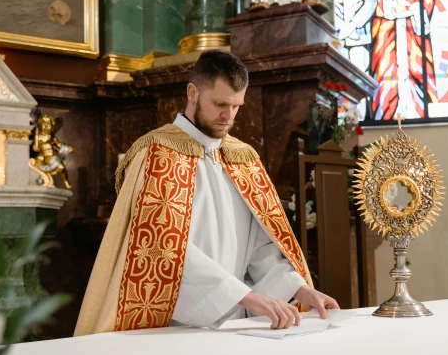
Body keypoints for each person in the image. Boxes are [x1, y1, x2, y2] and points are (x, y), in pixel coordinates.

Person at [75, 50, 339, 336]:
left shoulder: (243, 159)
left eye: (237, 106)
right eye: (219, 104)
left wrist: (298, 289)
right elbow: (163, 248)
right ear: (192, 92)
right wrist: (243, 296)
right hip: (175, 327)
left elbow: (261, 247)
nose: (228, 116)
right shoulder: (156, 155)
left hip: (238, 322)